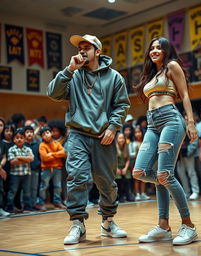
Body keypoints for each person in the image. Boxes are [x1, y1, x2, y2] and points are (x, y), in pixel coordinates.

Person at [47, 34, 130, 245]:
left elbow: (122, 106)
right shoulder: (73, 75)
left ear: (98, 52)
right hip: (77, 134)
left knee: (107, 182)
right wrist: (68, 70)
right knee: (77, 176)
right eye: (80, 47)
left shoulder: (114, 78)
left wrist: (113, 128)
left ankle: (108, 221)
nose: (82, 50)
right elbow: (53, 93)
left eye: (87, 47)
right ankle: (77, 224)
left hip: (104, 136)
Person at [132, 37, 198, 245]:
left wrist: (191, 122)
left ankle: (188, 226)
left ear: (166, 50)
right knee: (140, 172)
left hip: (170, 119)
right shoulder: (152, 75)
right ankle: (163, 227)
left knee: (164, 174)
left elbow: (185, 95)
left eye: (159, 47)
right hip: (152, 124)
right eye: (151, 48)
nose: (154, 51)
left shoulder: (172, 66)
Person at [38, 126, 66, 211]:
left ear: (51, 133)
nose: (46, 135)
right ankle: (41, 203)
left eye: (47, 132)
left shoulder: (57, 144)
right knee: (44, 186)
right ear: (42, 137)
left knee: (57, 186)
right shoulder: (42, 145)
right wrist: (56, 154)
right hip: (46, 169)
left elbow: (63, 153)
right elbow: (44, 158)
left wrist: (51, 154)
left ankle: (57, 202)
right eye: (43, 134)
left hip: (57, 168)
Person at [6, 128, 34, 213]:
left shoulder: (28, 149)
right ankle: (9, 208)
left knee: (27, 192)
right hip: (15, 174)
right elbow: (12, 162)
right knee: (12, 191)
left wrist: (19, 157)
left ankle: (27, 208)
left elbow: (31, 159)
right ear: (14, 139)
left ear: (24, 139)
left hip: (26, 174)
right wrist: (25, 159)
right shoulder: (11, 149)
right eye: (17, 138)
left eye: (21, 137)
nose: (19, 139)